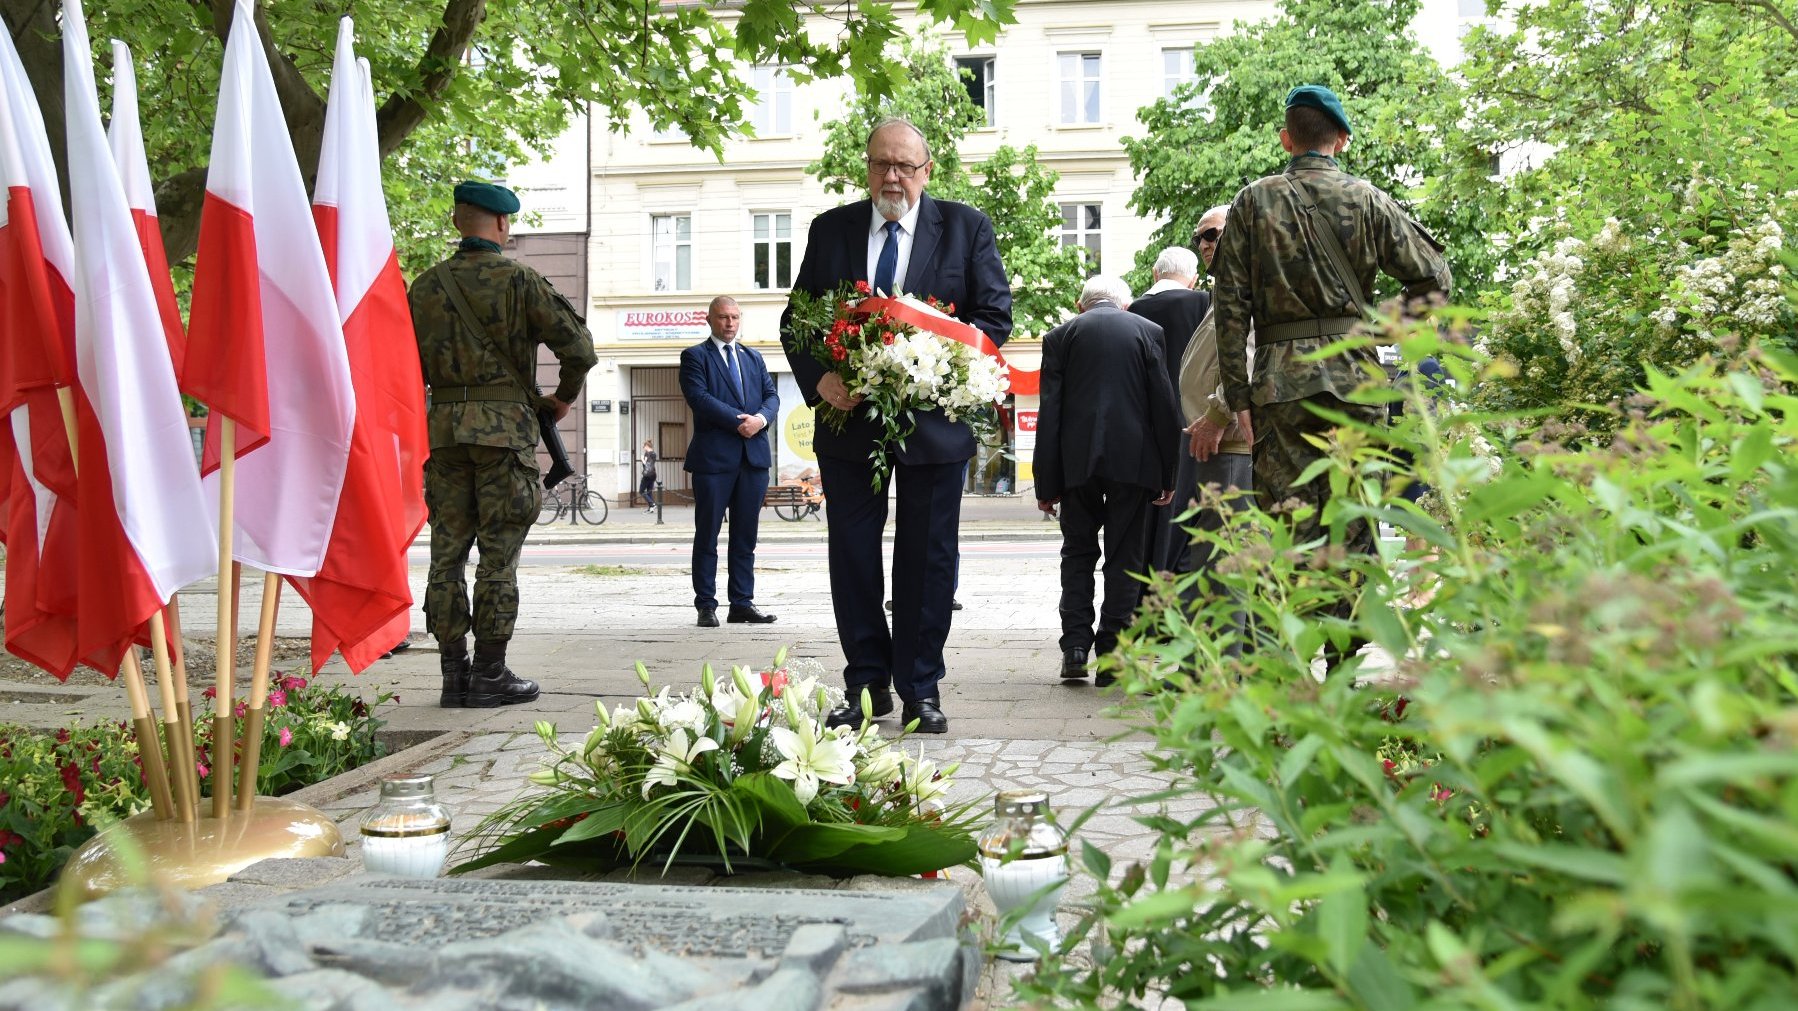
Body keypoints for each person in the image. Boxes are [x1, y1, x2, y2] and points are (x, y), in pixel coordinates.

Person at [780, 118, 1013, 734]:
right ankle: (866, 686)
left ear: (926, 171)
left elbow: (994, 319)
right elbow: (795, 321)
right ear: (867, 166)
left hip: (934, 427)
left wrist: (941, 369)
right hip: (848, 424)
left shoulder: (966, 228)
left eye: (905, 166)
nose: (892, 176)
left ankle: (919, 688)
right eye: (882, 163)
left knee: (927, 559)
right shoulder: (831, 230)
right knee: (852, 556)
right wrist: (819, 379)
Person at [1212, 85, 1451, 668]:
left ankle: (1286, 664)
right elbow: (1434, 277)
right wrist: (1384, 331)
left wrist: (1237, 396)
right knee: (1354, 517)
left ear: (1286, 138)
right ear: (1340, 139)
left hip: (1279, 384)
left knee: (1287, 518)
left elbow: (1230, 305)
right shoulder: (1369, 200)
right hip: (1355, 381)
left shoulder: (1252, 202)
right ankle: (1346, 660)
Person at [409, 180, 597, 708]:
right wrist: (561, 399)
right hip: (504, 438)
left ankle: (452, 674)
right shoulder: (521, 281)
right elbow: (579, 349)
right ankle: (490, 672)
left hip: (443, 436)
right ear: (502, 225)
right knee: (497, 557)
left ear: (455, 223)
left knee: (446, 554)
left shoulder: (424, 287)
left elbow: (395, 365)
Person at [1034, 276, 1180, 687]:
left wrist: (1046, 483)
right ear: (1125, 306)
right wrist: (1168, 472)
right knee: (1126, 559)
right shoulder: (1148, 332)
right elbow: (1164, 406)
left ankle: (1075, 648)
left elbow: (1051, 413)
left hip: (1075, 464)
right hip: (1134, 464)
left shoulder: (1059, 336)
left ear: (1082, 306)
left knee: (1077, 554)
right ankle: (1113, 653)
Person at [1177, 205, 1255, 655]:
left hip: (1232, 444)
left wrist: (1218, 414)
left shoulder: (1243, 285)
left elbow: (1248, 355)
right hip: (1224, 443)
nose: (1205, 245)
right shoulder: (1227, 286)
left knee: (1225, 560)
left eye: (1213, 235)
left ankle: (1224, 673)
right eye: (1200, 239)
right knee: (1218, 556)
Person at [681, 296, 779, 628]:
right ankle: (706, 605)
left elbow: (772, 396)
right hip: (713, 460)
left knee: (745, 536)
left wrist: (761, 421)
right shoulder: (695, 357)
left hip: (753, 460)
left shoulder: (753, 357)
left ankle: (741, 603)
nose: (730, 323)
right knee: (707, 534)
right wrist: (741, 421)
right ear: (709, 319)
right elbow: (699, 398)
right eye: (723, 317)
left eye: (735, 317)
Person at [1127, 245, 1211, 572]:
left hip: (1146, 428)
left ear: (1155, 274)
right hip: (1198, 421)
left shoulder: (1132, 310)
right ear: (1193, 279)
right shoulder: (1205, 303)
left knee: (1150, 515)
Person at [638, 438, 658, 512]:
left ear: (647, 446)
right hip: (653, 474)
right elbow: (651, 464)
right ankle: (651, 508)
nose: (643, 448)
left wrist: (642, 459)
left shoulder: (647, 453)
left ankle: (652, 504)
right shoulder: (654, 454)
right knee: (649, 491)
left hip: (647, 475)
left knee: (641, 491)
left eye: (644, 446)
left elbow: (646, 465)